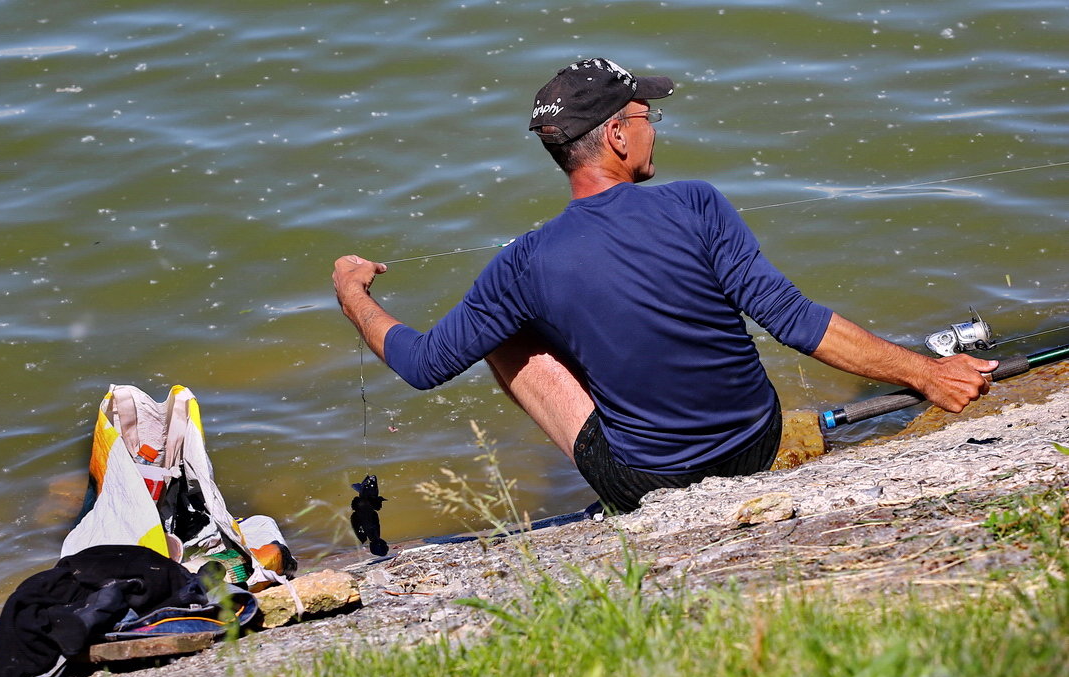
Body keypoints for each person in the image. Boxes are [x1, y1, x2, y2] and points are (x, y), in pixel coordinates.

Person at [333, 57, 997, 514]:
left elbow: (422, 365)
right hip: (754, 442)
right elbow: (795, 321)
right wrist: (926, 374)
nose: (656, 129)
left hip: (648, 483)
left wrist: (353, 292)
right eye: (647, 116)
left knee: (506, 335)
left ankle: (629, 466)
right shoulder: (698, 205)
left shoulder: (525, 262)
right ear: (617, 135)